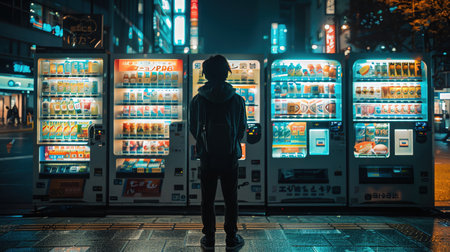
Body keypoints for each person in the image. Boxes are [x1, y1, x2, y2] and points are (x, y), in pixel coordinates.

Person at [190, 55, 247, 250]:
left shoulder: (197, 100)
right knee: (231, 198)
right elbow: (241, 129)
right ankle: (231, 237)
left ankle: (209, 238)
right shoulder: (238, 100)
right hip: (230, 156)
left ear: (205, 74)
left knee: (208, 199)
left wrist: (204, 144)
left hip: (207, 156)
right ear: (226, 73)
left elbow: (193, 128)